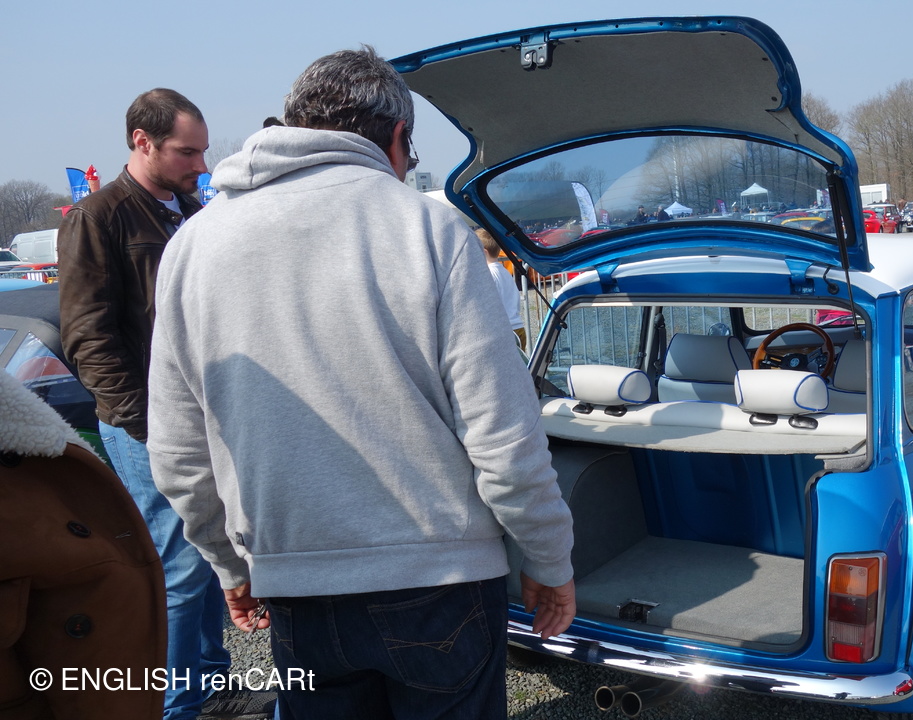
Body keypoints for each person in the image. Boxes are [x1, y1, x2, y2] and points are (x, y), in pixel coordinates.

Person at [146, 47, 576, 720]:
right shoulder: (427, 227)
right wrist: (549, 560)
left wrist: (231, 565)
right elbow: (501, 433)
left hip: (295, 587)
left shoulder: (194, 245)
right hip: (441, 582)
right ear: (397, 137)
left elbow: (178, 452)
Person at [57, 88, 273, 720]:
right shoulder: (98, 217)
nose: (202, 165)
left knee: (208, 559)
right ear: (141, 142)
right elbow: (87, 338)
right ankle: (176, 705)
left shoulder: (191, 211)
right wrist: (148, 424)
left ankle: (210, 686)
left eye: (203, 152)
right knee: (180, 568)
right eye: (187, 152)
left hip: (203, 417)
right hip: (148, 423)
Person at [0, 370, 166, 720]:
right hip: (139, 420)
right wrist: (139, 420)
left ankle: (199, 684)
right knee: (177, 576)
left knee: (177, 577)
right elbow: (94, 348)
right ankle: (181, 700)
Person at [476, 227, 527, 349]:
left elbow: (487, 305)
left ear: (484, 252)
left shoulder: (488, 274)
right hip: (517, 327)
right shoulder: (504, 272)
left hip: (505, 331)